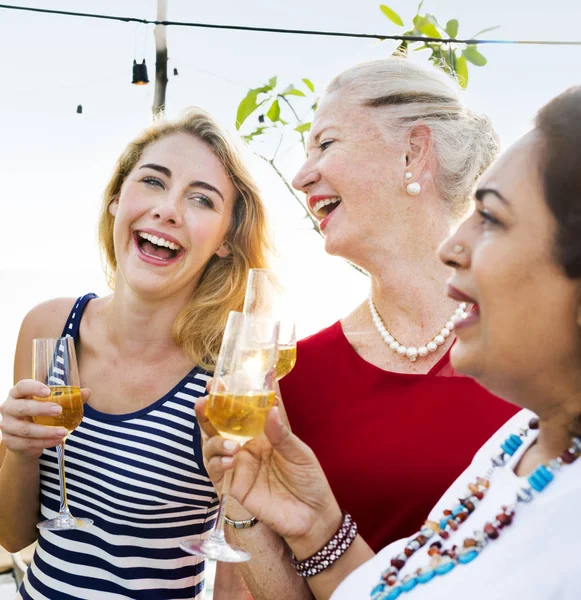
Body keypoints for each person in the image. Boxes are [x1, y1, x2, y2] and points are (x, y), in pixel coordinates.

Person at [199, 86, 581, 599]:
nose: (455, 247)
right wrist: (313, 526)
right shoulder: (516, 443)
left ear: (413, 152)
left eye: (490, 218)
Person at [0, 108, 270, 599]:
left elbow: (239, 568)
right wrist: (18, 451)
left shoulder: (227, 378)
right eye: (153, 181)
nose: (168, 210)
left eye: (201, 200)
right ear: (115, 201)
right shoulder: (48, 329)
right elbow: (13, 535)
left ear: (226, 242)